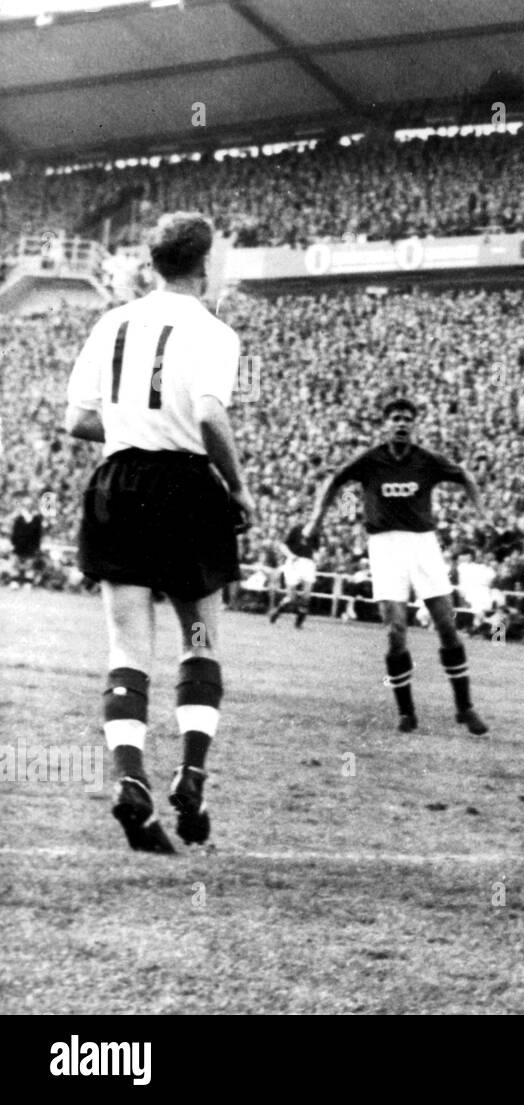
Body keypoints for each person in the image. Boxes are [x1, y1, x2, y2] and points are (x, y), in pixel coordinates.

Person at [64, 211, 255, 853]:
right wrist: (240, 486)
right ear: (205, 264)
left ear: (155, 262)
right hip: (187, 494)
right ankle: (192, 773)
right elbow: (207, 414)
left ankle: (130, 781)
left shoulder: (112, 320)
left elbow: (77, 418)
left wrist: (128, 432)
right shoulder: (213, 330)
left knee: (127, 648)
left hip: (119, 486)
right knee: (199, 636)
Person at [304, 399, 488, 735]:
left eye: (406, 419)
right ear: (386, 424)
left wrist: (482, 514)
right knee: (395, 630)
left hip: (423, 544)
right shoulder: (371, 460)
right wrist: (316, 520)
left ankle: (465, 708)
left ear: (413, 425)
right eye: (395, 418)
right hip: (385, 546)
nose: (401, 423)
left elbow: (465, 476)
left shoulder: (426, 460)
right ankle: (406, 712)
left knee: (447, 624)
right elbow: (335, 480)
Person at [268, 522, 319, 629]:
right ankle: (277, 611)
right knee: (291, 598)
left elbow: (316, 550)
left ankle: (299, 622)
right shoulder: (296, 529)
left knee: (306, 596)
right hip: (294, 563)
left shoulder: (315, 531)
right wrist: (291, 555)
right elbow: (283, 545)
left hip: (308, 564)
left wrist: (317, 558)